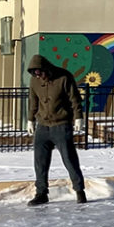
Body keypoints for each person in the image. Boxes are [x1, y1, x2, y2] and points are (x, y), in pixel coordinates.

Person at [26, 54, 87, 206]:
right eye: (34, 73)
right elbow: (33, 101)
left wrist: (78, 117)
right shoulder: (34, 81)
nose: (38, 76)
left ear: (46, 69)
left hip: (61, 125)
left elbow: (75, 99)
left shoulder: (64, 77)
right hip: (43, 126)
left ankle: (79, 191)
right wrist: (30, 120)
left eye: (39, 72)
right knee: (40, 162)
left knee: (69, 159)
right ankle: (41, 193)